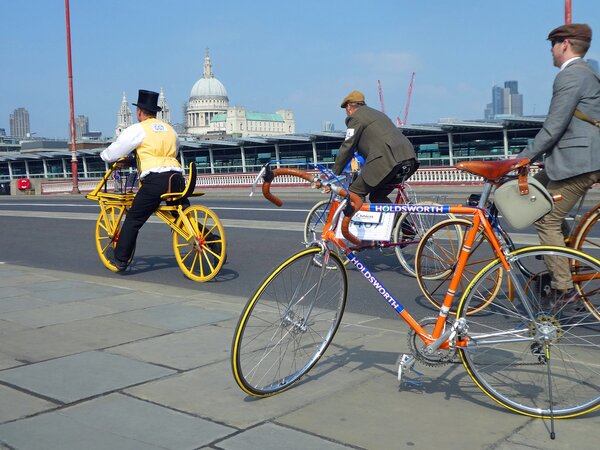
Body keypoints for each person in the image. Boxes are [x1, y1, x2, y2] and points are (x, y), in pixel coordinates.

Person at [520, 23, 600, 298]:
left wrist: (521, 159)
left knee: (545, 218)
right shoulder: (587, 72)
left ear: (564, 44)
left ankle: (563, 287)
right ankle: (561, 255)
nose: (551, 52)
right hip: (574, 158)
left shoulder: (572, 76)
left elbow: (554, 126)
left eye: (552, 45)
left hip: (580, 162)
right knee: (531, 191)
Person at [100, 89, 185, 272]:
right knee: (181, 215)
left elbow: (115, 151)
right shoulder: (171, 130)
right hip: (177, 178)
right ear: (155, 112)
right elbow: (173, 151)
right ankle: (213, 245)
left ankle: (120, 258)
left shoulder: (139, 129)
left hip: (155, 182)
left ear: (139, 112)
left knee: (134, 218)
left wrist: (104, 156)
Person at [332, 90, 417, 203]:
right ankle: (399, 221)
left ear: (348, 107)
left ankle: (359, 220)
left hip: (387, 161)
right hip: (408, 157)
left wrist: (334, 173)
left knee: (354, 193)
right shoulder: (377, 114)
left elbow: (348, 146)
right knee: (377, 196)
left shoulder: (356, 117)